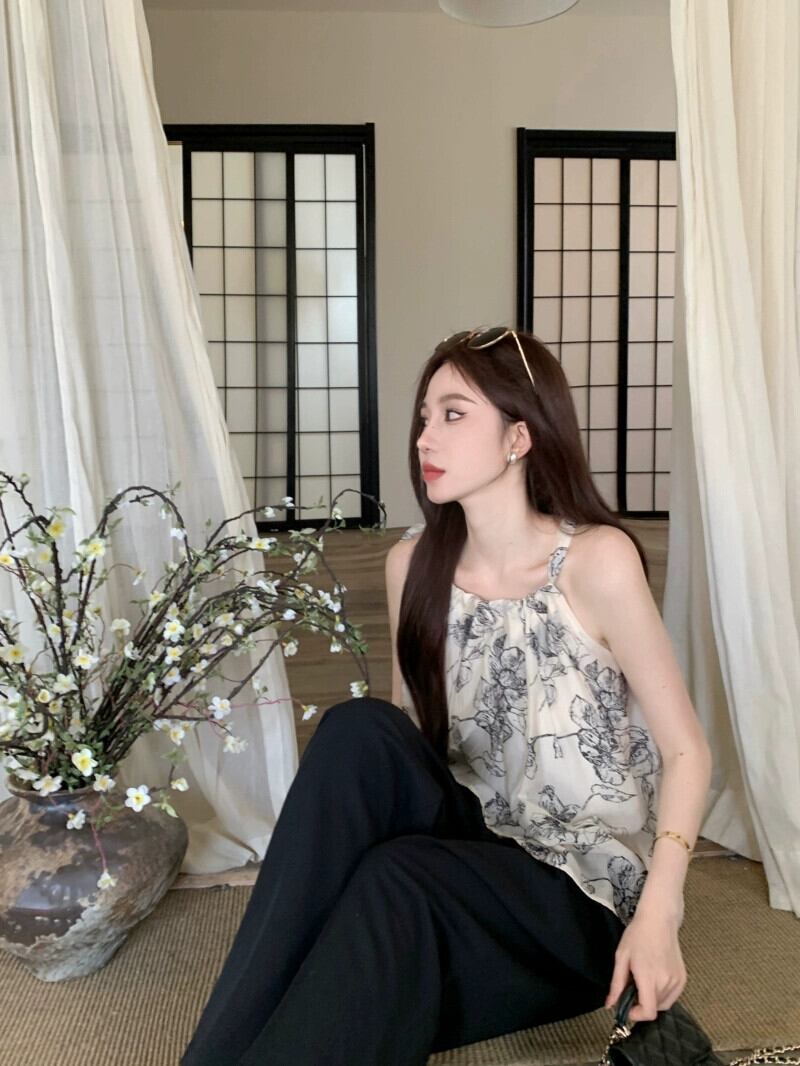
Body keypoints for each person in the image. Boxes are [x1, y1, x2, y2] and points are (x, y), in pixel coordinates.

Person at [180, 326, 713, 1066]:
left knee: (396, 883)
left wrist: (661, 914)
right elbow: (410, 744)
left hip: (577, 890)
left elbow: (687, 752)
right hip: (478, 835)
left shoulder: (596, 561)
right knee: (361, 730)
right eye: (425, 415)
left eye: (454, 414)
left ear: (519, 437)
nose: (425, 437)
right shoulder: (414, 564)